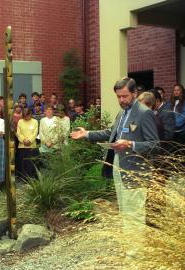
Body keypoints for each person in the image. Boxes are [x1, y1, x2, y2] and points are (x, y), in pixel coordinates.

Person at [71, 77, 159, 258]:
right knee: (125, 210)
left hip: (135, 171)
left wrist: (131, 144)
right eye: (118, 97)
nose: (121, 100)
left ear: (135, 93)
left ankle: (135, 255)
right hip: (119, 166)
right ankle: (130, 248)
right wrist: (87, 133)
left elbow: (155, 145)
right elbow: (109, 133)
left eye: (125, 96)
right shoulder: (122, 114)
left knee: (134, 212)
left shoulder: (144, 113)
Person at [16, 108, 39, 180]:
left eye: (27, 116)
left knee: (31, 163)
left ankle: (32, 179)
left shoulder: (35, 121)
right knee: (23, 163)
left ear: (30, 114)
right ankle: (23, 179)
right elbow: (18, 133)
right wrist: (23, 140)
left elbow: (35, 132)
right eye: (24, 116)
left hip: (32, 146)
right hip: (22, 146)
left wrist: (29, 140)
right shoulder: (20, 121)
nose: (26, 117)